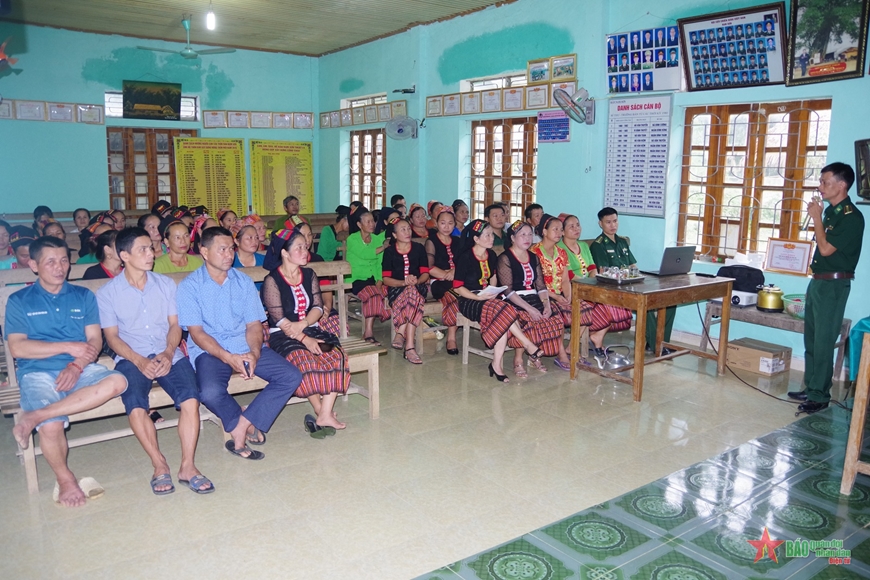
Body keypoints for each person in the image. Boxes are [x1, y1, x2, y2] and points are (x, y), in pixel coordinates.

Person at [6, 236, 127, 506]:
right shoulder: (19, 300)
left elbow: (95, 341)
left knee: (118, 381)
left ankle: (36, 414)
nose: (59, 267)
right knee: (51, 427)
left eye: (63, 260)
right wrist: (69, 347)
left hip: (81, 368)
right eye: (50, 262)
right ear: (34, 265)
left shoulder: (83, 296)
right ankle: (65, 479)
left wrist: (76, 364)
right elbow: (17, 348)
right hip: (37, 372)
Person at [96, 228, 212, 494]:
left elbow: (175, 325)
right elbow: (112, 337)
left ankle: (188, 466)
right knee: (136, 404)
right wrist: (138, 360)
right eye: (143, 250)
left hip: (167, 351)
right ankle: (159, 464)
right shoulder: (108, 293)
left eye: (152, 248)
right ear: (124, 255)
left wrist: (169, 352)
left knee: (191, 398)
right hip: (130, 355)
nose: (152, 254)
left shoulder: (165, 284)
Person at [178, 227, 302, 460]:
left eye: (231, 249)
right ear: (204, 251)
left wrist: (254, 353)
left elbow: (254, 326)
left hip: (245, 345)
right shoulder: (190, 286)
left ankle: (243, 423)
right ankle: (238, 422)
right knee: (210, 392)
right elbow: (196, 333)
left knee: (291, 376)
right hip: (210, 350)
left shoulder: (242, 282)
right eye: (222, 249)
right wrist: (228, 357)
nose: (228, 255)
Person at [788, 163, 864, 414]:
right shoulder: (831, 212)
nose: (820, 187)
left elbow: (826, 249)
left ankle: (820, 396)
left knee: (823, 341)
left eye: (825, 182)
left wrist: (816, 217)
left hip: (833, 285)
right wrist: (820, 216)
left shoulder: (851, 217)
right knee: (811, 338)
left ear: (842, 185)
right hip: (819, 281)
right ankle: (812, 387)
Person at [261, 228, 350, 436]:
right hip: (282, 334)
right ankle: (321, 411)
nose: (305, 250)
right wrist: (303, 337)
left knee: (336, 356)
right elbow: (278, 319)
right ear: (285, 252)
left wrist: (304, 325)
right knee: (304, 360)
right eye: (299, 247)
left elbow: (318, 307)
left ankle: (325, 412)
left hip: (310, 327)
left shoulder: (309, 274)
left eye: (305, 246)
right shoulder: (272, 280)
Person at [452, 220, 542, 382]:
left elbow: (493, 278)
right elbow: (458, 287)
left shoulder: (491, 255)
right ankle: (527, 344)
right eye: (487, 235)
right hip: (469, 299)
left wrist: (492, 291)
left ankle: (496, 364)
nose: (491, 238)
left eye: (491, 234)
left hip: (488, 298)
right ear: (476, 239)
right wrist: (478, 297)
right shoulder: (465, 257)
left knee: (502, 314)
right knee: (504, 310)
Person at [590, 207, 676, 355]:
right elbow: (603, 273)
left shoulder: (622, 242)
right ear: (600, 224)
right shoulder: (598, 245)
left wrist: (642, 277)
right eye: (608, 222)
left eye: (615, 221)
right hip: (614, 288)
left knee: (669, 301)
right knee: (647, 304)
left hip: (631, 284)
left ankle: (661, 342)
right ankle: (655, 345)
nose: (613, 225)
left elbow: (633, 266)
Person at [557, 214, 632, 364]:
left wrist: (593, 281)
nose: (576, 228)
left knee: (618, 305)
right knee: (594, 306)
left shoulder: (584, 245)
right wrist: (589, 284)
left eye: (577, 225)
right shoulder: (559, 248)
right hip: (571, 289)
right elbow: (570, 275)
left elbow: (593, 268)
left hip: (589, 285)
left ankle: (597, 336)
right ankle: (574, 347)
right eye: (571, 226)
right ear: (563, 231)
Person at [498, 221, 571, 374]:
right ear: (512, 237)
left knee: (554, 318)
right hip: (513, 299)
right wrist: (529, 308)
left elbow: (541, 286)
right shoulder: (505, 258)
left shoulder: (533, 257)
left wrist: (547, 305)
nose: (527, 238)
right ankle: (518, 359)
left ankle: (534, 357)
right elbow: (507, 291)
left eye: (530, 234)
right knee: (527, 319)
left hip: (533, 296)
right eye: (522, 235)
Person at [382, 218, 429, 364]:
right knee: (410, 294)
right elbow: (386, 279)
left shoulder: (419, 248)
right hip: (396, 289)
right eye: (402, 229)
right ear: (395, 235)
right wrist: (404, 282)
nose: (407, 232)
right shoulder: (389, 252)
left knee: (412, 292)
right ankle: (409, 348)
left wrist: (416, 281)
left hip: (418, 287)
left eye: (408, 229)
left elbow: (425, 274)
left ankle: (401, 333)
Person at [346, 206, 390, 345]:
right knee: (374, 295)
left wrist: (379, 280)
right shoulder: (352, 239)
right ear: (359, 224)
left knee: (387, 291)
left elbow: (379, 263)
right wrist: (383, 246)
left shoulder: (376, 239)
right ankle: (369, 332)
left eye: (373, 221)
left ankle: (371, 329)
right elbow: (366, 255)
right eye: (368, 222)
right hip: (356, 278)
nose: (372, 224)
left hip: (373, 278)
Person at [426, 207, 461, 355]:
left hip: (457, 279)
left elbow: (464, 263)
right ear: (436, 223)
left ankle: (450, 333)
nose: (446, 227)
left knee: (462, 296)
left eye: (450, 223)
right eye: (443, 223)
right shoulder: (431, 241)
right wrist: (447, 275)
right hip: (438, 282)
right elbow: (429, 268)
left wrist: (455, 272)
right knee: (454, 296)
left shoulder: (458, 241)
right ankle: (451, 338)